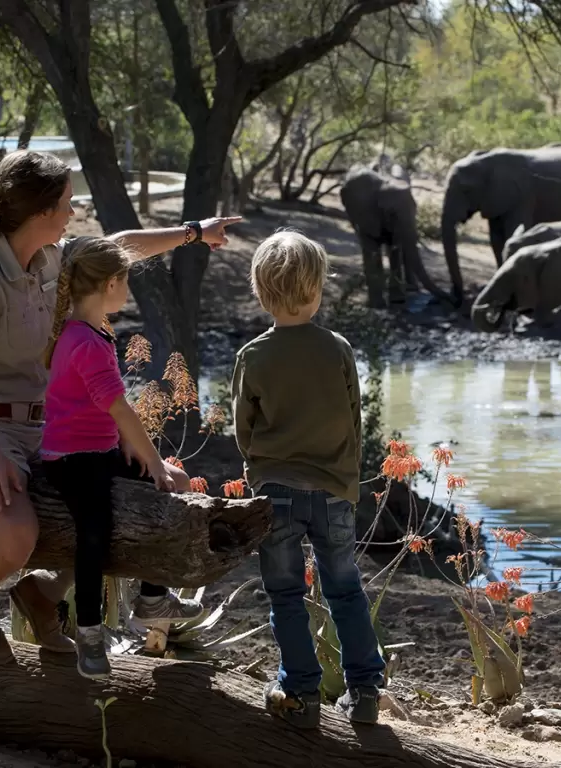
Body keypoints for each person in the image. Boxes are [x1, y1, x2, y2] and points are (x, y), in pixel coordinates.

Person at [0, 148, 240, 665]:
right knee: (17, 534)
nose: (73, 213)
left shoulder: (52, 257)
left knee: (121, 508)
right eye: (68, 203)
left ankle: (42, 594)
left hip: (48, 431)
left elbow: (118, 248)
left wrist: (194, 231)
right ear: (42, 211)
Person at [230, 229, 385, 728]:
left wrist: (259, 469)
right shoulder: (337, 349)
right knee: (345, 588)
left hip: (275, 493)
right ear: (317, 289)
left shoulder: (252, 357)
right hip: (334, 491)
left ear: (260, 291)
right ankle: (364, 690)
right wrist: (347, 479)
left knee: (285, 594)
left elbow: (243, 431)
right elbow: (353, 418)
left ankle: (300, 690)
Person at [39, 236, 192, 679]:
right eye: (126, 282)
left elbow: (101, 409)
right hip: (71, 460)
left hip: (100, 450)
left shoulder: (92, 331)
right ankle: (88, 632)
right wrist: (154, 462)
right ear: (109, 284)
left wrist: (134, 450)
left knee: (170, 488)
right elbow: (120, 408)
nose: (129, 292)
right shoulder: (85, 341)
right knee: (96, 531)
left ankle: (150, 596)